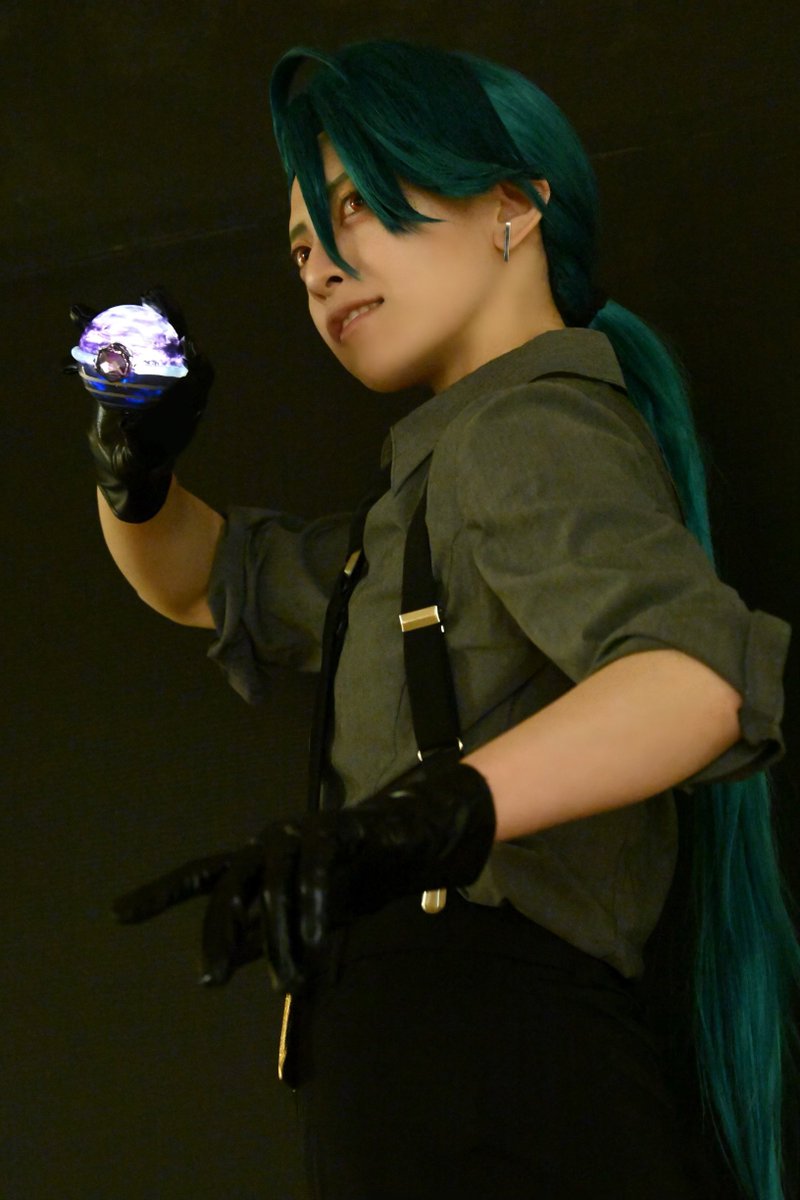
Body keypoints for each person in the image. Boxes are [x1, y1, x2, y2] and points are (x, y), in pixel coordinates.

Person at [73, 38, 799, 1200]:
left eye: (352, 208)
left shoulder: (530, 431)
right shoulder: (433, 487)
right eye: (299, 245)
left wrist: (419, 820)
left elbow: (693, 681)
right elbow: (206, 581)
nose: (318, 271)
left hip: (488, 1059)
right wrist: (135, 474)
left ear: (510, 206)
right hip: (442, 1064)